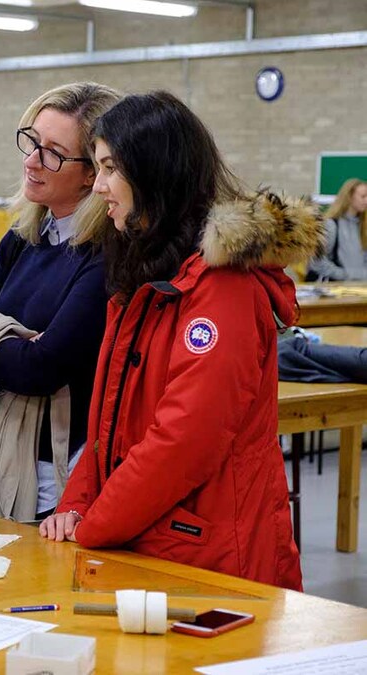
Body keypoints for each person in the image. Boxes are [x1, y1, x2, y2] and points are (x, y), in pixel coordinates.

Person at [40, 92, 315, 591]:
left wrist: (95, 524)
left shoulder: (223, 287)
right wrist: (76, 504)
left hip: (212, 561)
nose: (97, 185)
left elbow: (186, 440)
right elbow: (108, 421)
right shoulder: (144, 270)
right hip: (146, 539)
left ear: (154, 173)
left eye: (110, 168)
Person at [0, 82, 119, 519]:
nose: (31, 161)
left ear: (93, 173)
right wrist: (16, 343)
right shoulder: (21, 239)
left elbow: (41, 369)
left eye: (53, 153)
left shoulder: (105, 257)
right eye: (32, 141)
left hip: (49, 479)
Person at [307, 177, 367, 281]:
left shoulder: (363, 227)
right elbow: (316, 262)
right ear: (349, 197)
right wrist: (344, 275)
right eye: (363, 196)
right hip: (336, 287)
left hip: (359, 287)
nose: (366, 200)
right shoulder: (331, 225)